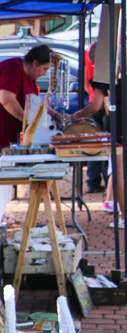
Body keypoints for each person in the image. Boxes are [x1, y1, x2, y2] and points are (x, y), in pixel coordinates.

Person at [0, 45, 53, 227]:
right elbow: (6, 99)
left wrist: (56, 116)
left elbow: (35, 103)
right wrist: (29, 124)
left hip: (2, 130)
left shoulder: (28, 77)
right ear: (35, 63)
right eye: (44, 69)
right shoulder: (13, 68)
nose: (44, 73)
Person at [71, 55, 125, 228]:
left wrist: (75, 116)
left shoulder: (104, 75)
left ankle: (125, 216)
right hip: (118, 124)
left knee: (118, 171)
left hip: (119, 126)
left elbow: (95, 106)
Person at [82, 43, 109, 194]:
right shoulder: (114, 47)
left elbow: (86, 81)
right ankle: (108, 180)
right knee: (106, 141)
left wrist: (93, 95)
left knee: (95, 141)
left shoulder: (88, 49)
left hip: (95, 99)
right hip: (105, 102)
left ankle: (93, 181)